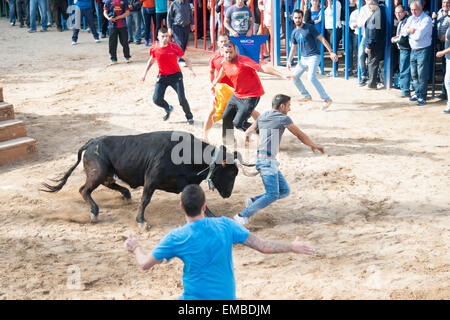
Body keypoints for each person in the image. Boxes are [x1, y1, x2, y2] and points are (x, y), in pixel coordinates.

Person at [124, 184, 316, 300]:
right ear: (204, 206)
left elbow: (144, 264)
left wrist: (136, 248)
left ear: (181, 206)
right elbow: (264, 246)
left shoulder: (176, 237)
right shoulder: (225, 225)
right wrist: (292, 246)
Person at [233, 94, 325, 225]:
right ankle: (242, 215)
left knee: (284, 191)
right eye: (288, 106)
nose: (289, 109)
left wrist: (249, 138)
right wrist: (313, 145)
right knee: (272, 194)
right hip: (267, 162)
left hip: (264, 160)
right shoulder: (283, 118)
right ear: (282, 106)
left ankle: (254, 201)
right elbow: (299, 134)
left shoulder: (263, 116)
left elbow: (248, 131)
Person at [211, 40, 293, 145]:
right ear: (223, 51)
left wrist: (281, 75)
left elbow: (263, 68)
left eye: (231, 52)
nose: (228, 54)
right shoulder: (224, 61)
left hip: (251, 95)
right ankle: (228, 142)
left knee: (238, 123)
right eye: (226, 52)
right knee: (226, 117)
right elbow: (223, 70)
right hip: (237, 94)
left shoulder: (243, 61)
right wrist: (215, 81)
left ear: (235, 50)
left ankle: (267, 135)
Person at [203, 33, 260, 141]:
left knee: (251, 111)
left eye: (226, 41)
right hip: (221, 90)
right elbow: (211, 72)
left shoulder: (234, 56)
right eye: (221, 41)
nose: (224, 43)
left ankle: (261, 126)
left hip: (235, 89)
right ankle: (205, 137)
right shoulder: (214, 58)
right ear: (217, 43)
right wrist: (213, 85)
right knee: (212, 111)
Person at [141, 28, 195, 125]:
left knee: (182, 99)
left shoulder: (174, 47)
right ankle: (168, 108)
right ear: (158, 37)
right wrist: (144, 74)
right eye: (163, 36)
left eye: (167, 36)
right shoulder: (154, 48)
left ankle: (189, 117)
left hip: (176, 76)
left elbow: (187, 59)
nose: (165, 38)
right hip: (162, 77)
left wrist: (191, 70)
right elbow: (151, 61)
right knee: (156, 99)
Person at [287, 9, 338, 110]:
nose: (297, 19)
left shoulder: (309, 27)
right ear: (293, 18)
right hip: (303, 58)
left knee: (311, 77)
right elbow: (293, 47)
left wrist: (331, 52)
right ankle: (306, 95)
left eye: (299, 17)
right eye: (295, 18)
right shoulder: (294, 32)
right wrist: (289, 60)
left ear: (302, 18)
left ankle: (326, 99)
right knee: (294, 77)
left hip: (314, 56)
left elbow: (322, 39)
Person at [401, 0, 433, 105]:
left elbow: (419, 36)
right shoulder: (410, 18)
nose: (413, 11)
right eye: (412, 9)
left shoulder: (427, 20)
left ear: (421, 9)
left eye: (416, 9)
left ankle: (422, 96)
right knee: (414, 74)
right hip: (413, 49)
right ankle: (417, 92)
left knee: (421, 74)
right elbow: (403, 32)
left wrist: (410, 32)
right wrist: (411, 30)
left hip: (423, 49)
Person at [363, 0, 386, 90]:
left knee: (372, 63)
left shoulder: (376, 15)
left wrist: (369, 45)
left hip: (375, 44)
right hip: (380, 43)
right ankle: (383, 82)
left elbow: (373, 32)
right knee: (380, 63)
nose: (369, 7)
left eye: (370, 5)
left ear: (375, 4)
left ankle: (372, 84)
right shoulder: (381, 11)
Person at [391, 4, 411, 98]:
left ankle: (405, 90)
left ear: (405, 12)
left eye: (400, 12)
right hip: (404, 49)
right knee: (405, 69)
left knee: (404, 69)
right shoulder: (402, 21)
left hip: (406, 48)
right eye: (396, 12)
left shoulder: (406, 21)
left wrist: (394, 40)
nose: (397, 14)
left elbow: (403, 37)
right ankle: (406, 89)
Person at [167, 0, 195, 66]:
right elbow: (169, 16)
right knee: (179, 43)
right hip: (177, 26)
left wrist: (192, 24)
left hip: (186, 26)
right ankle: (180, 59)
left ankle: (179, 56)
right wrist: (169, 27)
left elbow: (190, 14)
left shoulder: (187, 3)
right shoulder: (174, 4)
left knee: (184, 43)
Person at [104, 0, 131, 64]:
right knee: (112, 43)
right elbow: (105, 12)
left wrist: (118, 17)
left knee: (124, 42)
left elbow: (127, 12)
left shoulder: (124, 1)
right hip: (112, 26)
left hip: (122, 25)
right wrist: (108, 18)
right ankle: (113, 59)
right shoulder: (108, 1)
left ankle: (127, 57)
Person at [432, 0, 450, 100]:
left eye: (447, 3)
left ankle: (446, 92)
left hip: (448, 44)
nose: (445, 5)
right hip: (440, 43)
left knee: (447, 68)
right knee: (444, 68)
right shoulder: (439, 12)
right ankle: (444, 92)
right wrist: (434, 18)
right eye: (443, 2)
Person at [436, 13, 450, 114]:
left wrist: (442, 52)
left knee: (448, 81)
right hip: (448, 57)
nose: (448, 18)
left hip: (448, 56)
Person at [324, 0, 342, 76]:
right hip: (328, 28)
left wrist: (329, 4)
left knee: (333, 49)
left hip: (335, 28)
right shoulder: (326, 3)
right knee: (330, 49)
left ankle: (335, 70)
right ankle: (334, 69)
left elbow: (335, 14)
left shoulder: (337, 3)